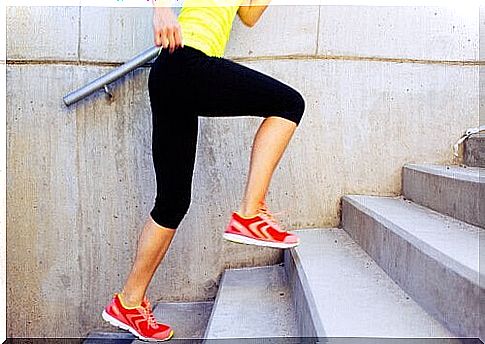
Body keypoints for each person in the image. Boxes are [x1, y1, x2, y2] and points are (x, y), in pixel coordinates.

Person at [102, 0, 306, 341]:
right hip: (185, 62)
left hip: (173, 76)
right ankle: (250, 214)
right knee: (289, 103)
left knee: (172, 202)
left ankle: (129, 301)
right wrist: (161, 9)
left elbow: (250, 16)